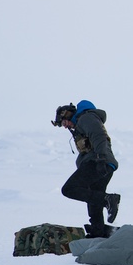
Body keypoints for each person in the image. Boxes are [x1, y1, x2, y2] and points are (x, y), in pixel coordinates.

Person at [53, 101, 121, 238]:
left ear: (68, 114)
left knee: (69, 189)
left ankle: (108, 199)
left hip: (98, 162)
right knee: (93, 197)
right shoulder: (81, 123)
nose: (65, 126)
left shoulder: (86, 118)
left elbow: (99, 136)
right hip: (103, 163)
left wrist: (101, 159)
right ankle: (98, 231)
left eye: (64, 122)